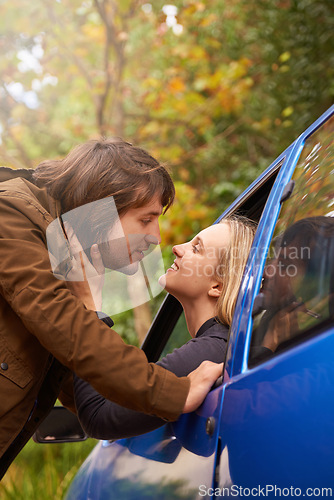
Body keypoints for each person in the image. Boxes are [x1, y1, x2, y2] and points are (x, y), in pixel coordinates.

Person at [0, 138, 222, 479]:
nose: (157, 237)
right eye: (146, 220)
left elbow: (81, 384)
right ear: (98, 211)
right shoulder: (13, 217)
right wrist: (174, 392)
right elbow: (55, 316)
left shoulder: (57, 249)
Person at [71, 215, 257, 439]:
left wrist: (88, 309)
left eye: (196, 248)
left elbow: (99, 416)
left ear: (217, 286)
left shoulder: (212, 350)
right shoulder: (222, 344)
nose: (178, 248)